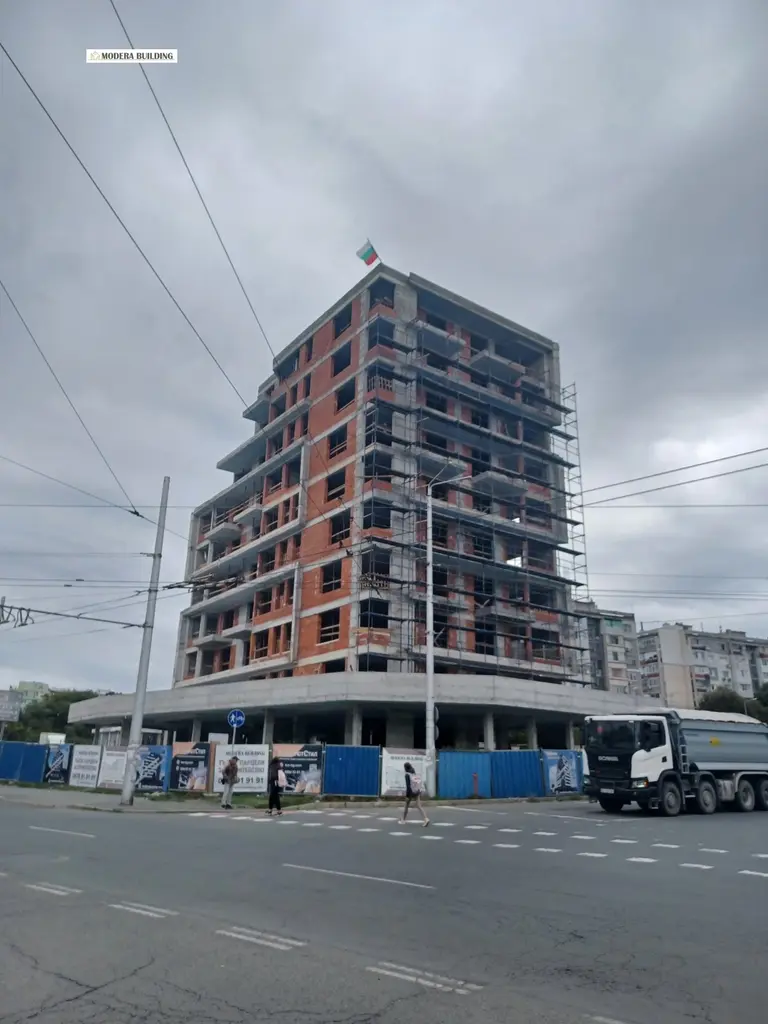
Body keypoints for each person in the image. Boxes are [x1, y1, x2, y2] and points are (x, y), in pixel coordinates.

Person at [400, 762, 429, 827]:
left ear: (405, 768)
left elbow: (408, 786)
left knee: (406, 806)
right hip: (417, 791)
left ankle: (403, 820)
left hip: (411, 792)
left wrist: (407, 796)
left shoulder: (407, 775)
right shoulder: (414, 774)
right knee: (419, 806)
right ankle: (426, 818)